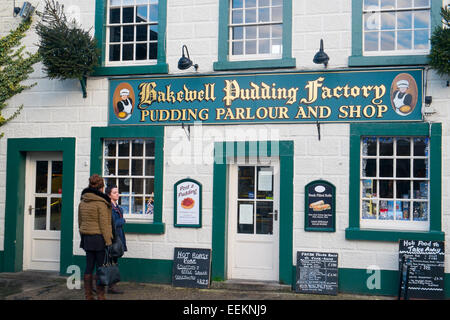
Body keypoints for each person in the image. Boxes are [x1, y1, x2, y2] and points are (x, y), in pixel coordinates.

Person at [78, 174, 112, 300]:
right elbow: (104, 225)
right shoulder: (101, 203)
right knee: (100, 268)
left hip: (87, 238)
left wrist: (83, 236)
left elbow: (80, 222)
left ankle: (88, 295)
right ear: (101, 187)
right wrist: (108, 241)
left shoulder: (83, 202)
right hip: (99, 239)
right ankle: (101, 295)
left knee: (88, 266)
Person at [105, 185, 127, 294]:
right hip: (112, 238)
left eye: (117, 192)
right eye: (114, 192)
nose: (117, 194)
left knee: (114, 261)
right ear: (109, 195)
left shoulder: (118, 207)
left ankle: (111, 286)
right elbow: (110, 224)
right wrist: (122, 221)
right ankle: (106, 285)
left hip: (118, 237)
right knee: (110, 262)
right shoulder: (108, 207)